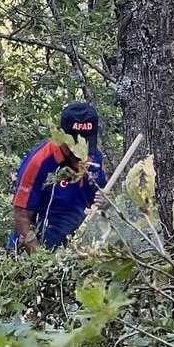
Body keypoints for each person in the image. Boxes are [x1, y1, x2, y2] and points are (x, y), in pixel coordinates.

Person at [10, 102, 108, 253]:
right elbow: (21, 216)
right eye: (74, 144)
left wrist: (105, 201)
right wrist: (40, 258)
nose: (79, 153)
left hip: (77, 248)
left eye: (85, 144)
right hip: (35, 247)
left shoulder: (96, 157)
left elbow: (103, 196)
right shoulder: (39, 162)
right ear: (61, 136)